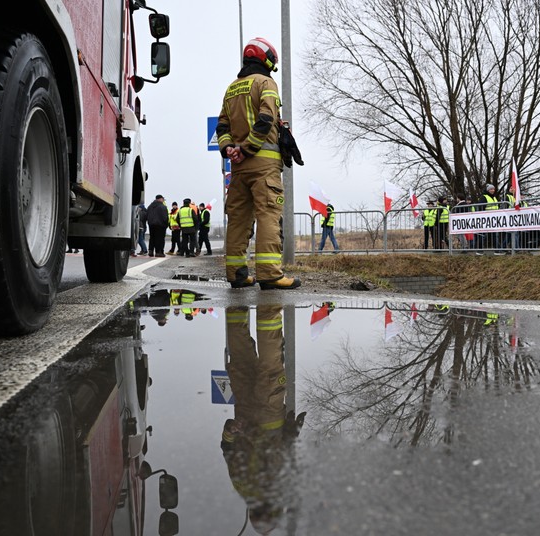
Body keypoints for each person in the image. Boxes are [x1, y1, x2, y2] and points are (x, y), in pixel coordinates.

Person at [216, 37, 300, 289]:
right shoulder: (267, 83)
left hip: (238, 168)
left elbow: (222, 126)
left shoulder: (231, 88)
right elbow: (265, 119)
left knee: (238, 220)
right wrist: (248, 148)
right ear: (266, 59)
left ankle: (237, 275)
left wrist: (229, 148)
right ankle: (270, 274)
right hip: (264, 165)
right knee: (268, 216)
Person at [221, 305, 305, 534]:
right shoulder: (265, 489)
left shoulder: (263, 488)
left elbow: (228, 449)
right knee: (254, 358)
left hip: (256, 409)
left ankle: (252, 302)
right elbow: (268, 451)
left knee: (251, 357)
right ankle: (256, 300)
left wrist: (231, 430)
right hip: (260, 410)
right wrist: (237, 430)